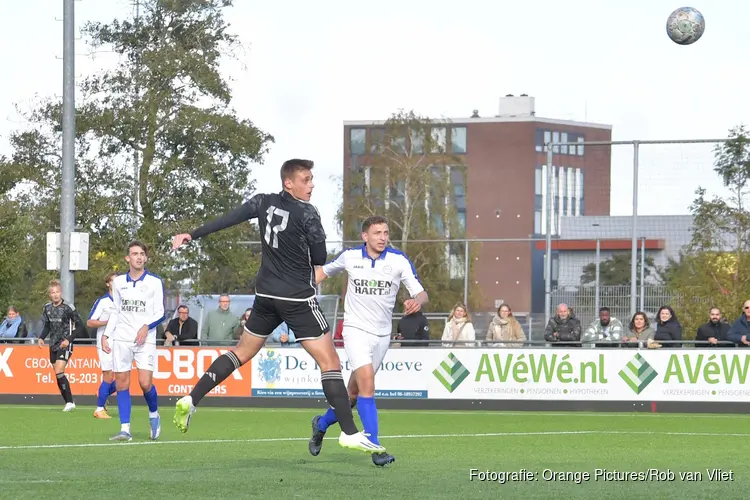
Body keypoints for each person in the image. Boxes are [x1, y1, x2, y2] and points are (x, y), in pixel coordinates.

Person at [170, 158, 384, 455]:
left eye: (311, 179)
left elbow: (229, 219)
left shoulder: (262, 202)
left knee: (240, 352)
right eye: (306, 180)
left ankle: (192, 400)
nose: (311, 185)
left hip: (266, 295)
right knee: (330, 363)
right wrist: (312, 237)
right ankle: (348, 432)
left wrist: (191, 234)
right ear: (289, 182)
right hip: (297, 298)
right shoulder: (307, 212)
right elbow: (320, 256)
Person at [309, 215, 428, 466]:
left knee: (352, 394)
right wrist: (298, 292)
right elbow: (322, 273)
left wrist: (417, 301)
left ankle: (320, 425)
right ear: (365, 236)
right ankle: (376, 448)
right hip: (355, 330)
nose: (383, 237)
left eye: (385, 233)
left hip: (382, 335)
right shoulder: (350, 256)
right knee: (367, 385)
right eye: (377, 233)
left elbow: (421, 291)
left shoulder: (398, 260)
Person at [101, 241, 165, 442]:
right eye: (134, 254)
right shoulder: (119, 282)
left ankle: (154, 414)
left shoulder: (155, 282)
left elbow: (161, 312)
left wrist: (146, 327)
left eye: (141, 254)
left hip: (145, 339)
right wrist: (106, 335)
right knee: (121, 382)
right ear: (127, 258)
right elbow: (116, 312)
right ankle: (125, 429)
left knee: (145, 383)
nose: (138, 257)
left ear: (145, 258)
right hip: (122, 338)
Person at [37, 279, 87, 411]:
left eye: (57, 292)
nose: (55, 295)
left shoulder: (68, 307)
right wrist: (41, 337)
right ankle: (69, 402)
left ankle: (69, 402)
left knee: (59, 371)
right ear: (50, 295)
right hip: (52, 344)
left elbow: (80, 325)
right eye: (53, 292)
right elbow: (47, 325)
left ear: (61, 293)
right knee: (57, 374)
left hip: (65, 344)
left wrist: (69, 339)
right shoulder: (47, 308)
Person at [87, 272, 118, 419]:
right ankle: (99, 409)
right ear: (108, 284)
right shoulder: (103, 301)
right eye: (113, 281)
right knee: (108, 374)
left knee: (124, 377)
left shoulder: (124, 301)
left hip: (121, 342)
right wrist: (109, 322)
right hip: (105, 342)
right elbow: (90, 322)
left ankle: (102, 393)